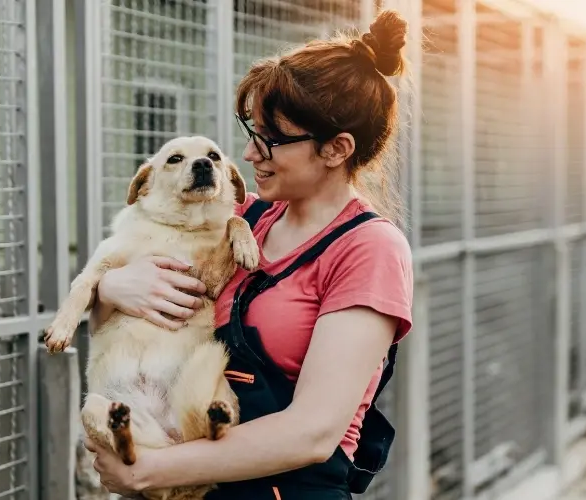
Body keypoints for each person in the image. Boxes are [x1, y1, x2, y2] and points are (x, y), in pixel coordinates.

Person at [83, 9, 415, 499]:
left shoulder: (368, 249)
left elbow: (313, 433)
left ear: (336, 149)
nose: (249, 151)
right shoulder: (242, 218)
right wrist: (110, 286)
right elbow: (118, 303)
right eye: (250, 128)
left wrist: (148, 472)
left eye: (271, 138)